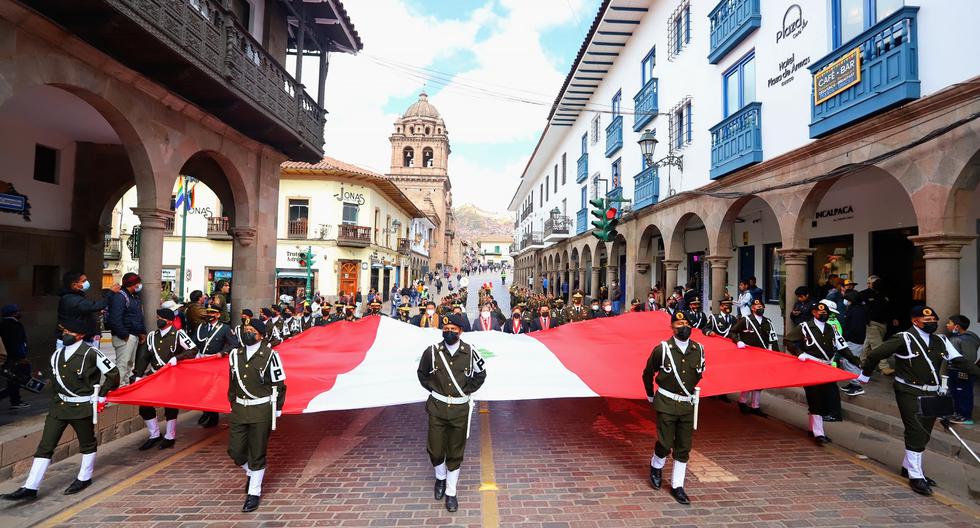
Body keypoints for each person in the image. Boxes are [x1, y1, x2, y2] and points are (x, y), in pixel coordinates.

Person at [857, 306, 980, 496]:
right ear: (915, 321)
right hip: (908, 391)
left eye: (934, 321)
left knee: (925, 432)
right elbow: (875, 355)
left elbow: (959, 361)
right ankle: (916, 476)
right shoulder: (903, 338)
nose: (932, 323)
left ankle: (908, 467)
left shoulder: (941, 340)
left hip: (932, 392)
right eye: (927, 321)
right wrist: (865, 374)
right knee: (916, 430)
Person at [2, 319, 119, 501]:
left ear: (80, 335)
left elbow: (113, 374)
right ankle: (30, 486)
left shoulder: (91, 353)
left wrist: (102, 394)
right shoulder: (57, 354)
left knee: (87, 443)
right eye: (64, 331)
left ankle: (84, 477)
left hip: (81, 406)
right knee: (45, 446)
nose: (65, 335)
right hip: (59, 407)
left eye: (69, 332)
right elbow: (55, 382)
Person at [416, 313, 487, 513]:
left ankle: (451, 491)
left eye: (453, 330)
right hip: (437, 408)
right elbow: (422, 374)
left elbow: (481, 374)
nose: (448, 332)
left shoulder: (470, 351)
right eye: (446, 329)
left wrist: (466, 390)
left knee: (455, 452)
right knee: (436, 450)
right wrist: (435, 389)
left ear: (461, 331)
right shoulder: (432, 352)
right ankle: (440, 478)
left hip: (459, 410)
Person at [642, 311, 705, 505]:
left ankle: (678, 485)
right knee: (665, 442)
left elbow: (698, 374)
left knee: (684, 447)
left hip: (687, 404)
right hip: (667, 403)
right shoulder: (662, 349)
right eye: (678, 323)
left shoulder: (699, 349)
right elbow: (647, 374)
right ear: (672, 326)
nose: (683, 326)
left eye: (686, 323)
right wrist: (651, 396)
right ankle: (656, 465)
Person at [227, 319, 286, 512]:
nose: (247, 333)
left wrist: (277, 409)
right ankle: (252, 472)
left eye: (252, 330)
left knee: (257, 451)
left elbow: (279, 384)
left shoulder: (270, 356)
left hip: (261, 410)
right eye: (246, 330)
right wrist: (232, 403)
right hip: (240, 409)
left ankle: (254, 493)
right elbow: (232, 383)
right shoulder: (235, 354)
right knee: (235, 451)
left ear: (260, 335)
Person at [784, 302, 861, 445]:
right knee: (815, 398)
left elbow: (843, 347)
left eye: (825, 312)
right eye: (820, 313)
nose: (823, 314)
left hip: (826, 367)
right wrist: (799, 353)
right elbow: (788, 340)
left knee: (828, 398)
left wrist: (857, 361)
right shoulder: (804, 327)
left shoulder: (831, 328)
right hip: (811, 366)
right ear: (814, 313)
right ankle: (819, 433)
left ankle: (813, 428)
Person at [132, 308, 198, 450]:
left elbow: (193, 350)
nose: (158, 320)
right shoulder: (151, 336)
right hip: (155, 374)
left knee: (170, 406)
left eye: (160, 318)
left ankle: (170, 435)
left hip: (171, 375)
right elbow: (144, 357)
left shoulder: (178, 334)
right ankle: (154, 434)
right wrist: (138, 374)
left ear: (169, 321)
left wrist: (177, 358)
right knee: (144, 405)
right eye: (157, 317)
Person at [730, 299, 779, 416]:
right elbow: (733, 332)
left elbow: (773, 339)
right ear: (752, 308)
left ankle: (755, 405)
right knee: (748, 379)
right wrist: (738, 341)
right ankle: (742, 401)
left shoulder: (768, 322)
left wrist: (776, 354)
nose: (759, 308)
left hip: (762, 355)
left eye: (761, 306)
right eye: (757, 306)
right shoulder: (745, 320)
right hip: (748, 355)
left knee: (760, 380)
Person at [194, 306, 237, 428]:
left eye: (212, 313)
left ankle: (213, 416)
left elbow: (234, 344)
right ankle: (205, 411)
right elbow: (194, 343)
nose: (209, 315)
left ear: (218, 315)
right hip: (201, 361)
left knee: (211, 389)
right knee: (202, 389)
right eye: (208, 312)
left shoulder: (225, 328)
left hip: (214, 362)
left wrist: (222, 353)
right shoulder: (201, 327)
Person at [58, 271, 118, 349]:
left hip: (82, 340)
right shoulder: (71, 299)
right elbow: (97, 306)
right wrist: (111, 292)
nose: (86, 283)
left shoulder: (76, 297)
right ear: (74, 285)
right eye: (83, 281)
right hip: (74, 342)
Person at [106, 272, 146, 386]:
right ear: (134, 284)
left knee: (128, 365)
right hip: (125, 337)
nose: (140, 286)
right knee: (122, 365)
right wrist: (124, 335)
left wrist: (141, 332)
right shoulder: (120, 297)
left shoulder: (133, 297)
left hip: (132, 335)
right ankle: (116, 390)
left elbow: (138, 316)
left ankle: (124, 387)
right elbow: (115, 318)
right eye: (138, 283)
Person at [946, 315, 979, 424]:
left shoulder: (966, 339)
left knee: (963, 393)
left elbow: (969, 358)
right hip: (953, 369)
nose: (947, 325)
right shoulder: (955, 337)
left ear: (957, 326)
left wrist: (963, 369)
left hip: (962, 370)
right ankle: (957, 413)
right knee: (955, 392)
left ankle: (965, 416)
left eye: (949, 323)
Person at [860, 275, 896, 375]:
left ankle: (862, 362)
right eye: (871, 283)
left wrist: (893, 318)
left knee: (867, 345)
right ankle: (884, 367)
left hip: (883, 324)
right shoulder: (863, 294)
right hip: (871, 324)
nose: (872, 285)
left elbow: (889, 308)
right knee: (878, 346)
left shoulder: (883, 294)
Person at [0, 305, 29, 408]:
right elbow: (17, 343)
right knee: (16, 381)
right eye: (18, 311)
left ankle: (16, 401)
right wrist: (22, 356)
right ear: (13, 313)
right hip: (15, 358)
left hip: (7, 357)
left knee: (13, 381)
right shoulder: (14, 325)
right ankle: (15, 401)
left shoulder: (3, 324)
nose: (20, 313)